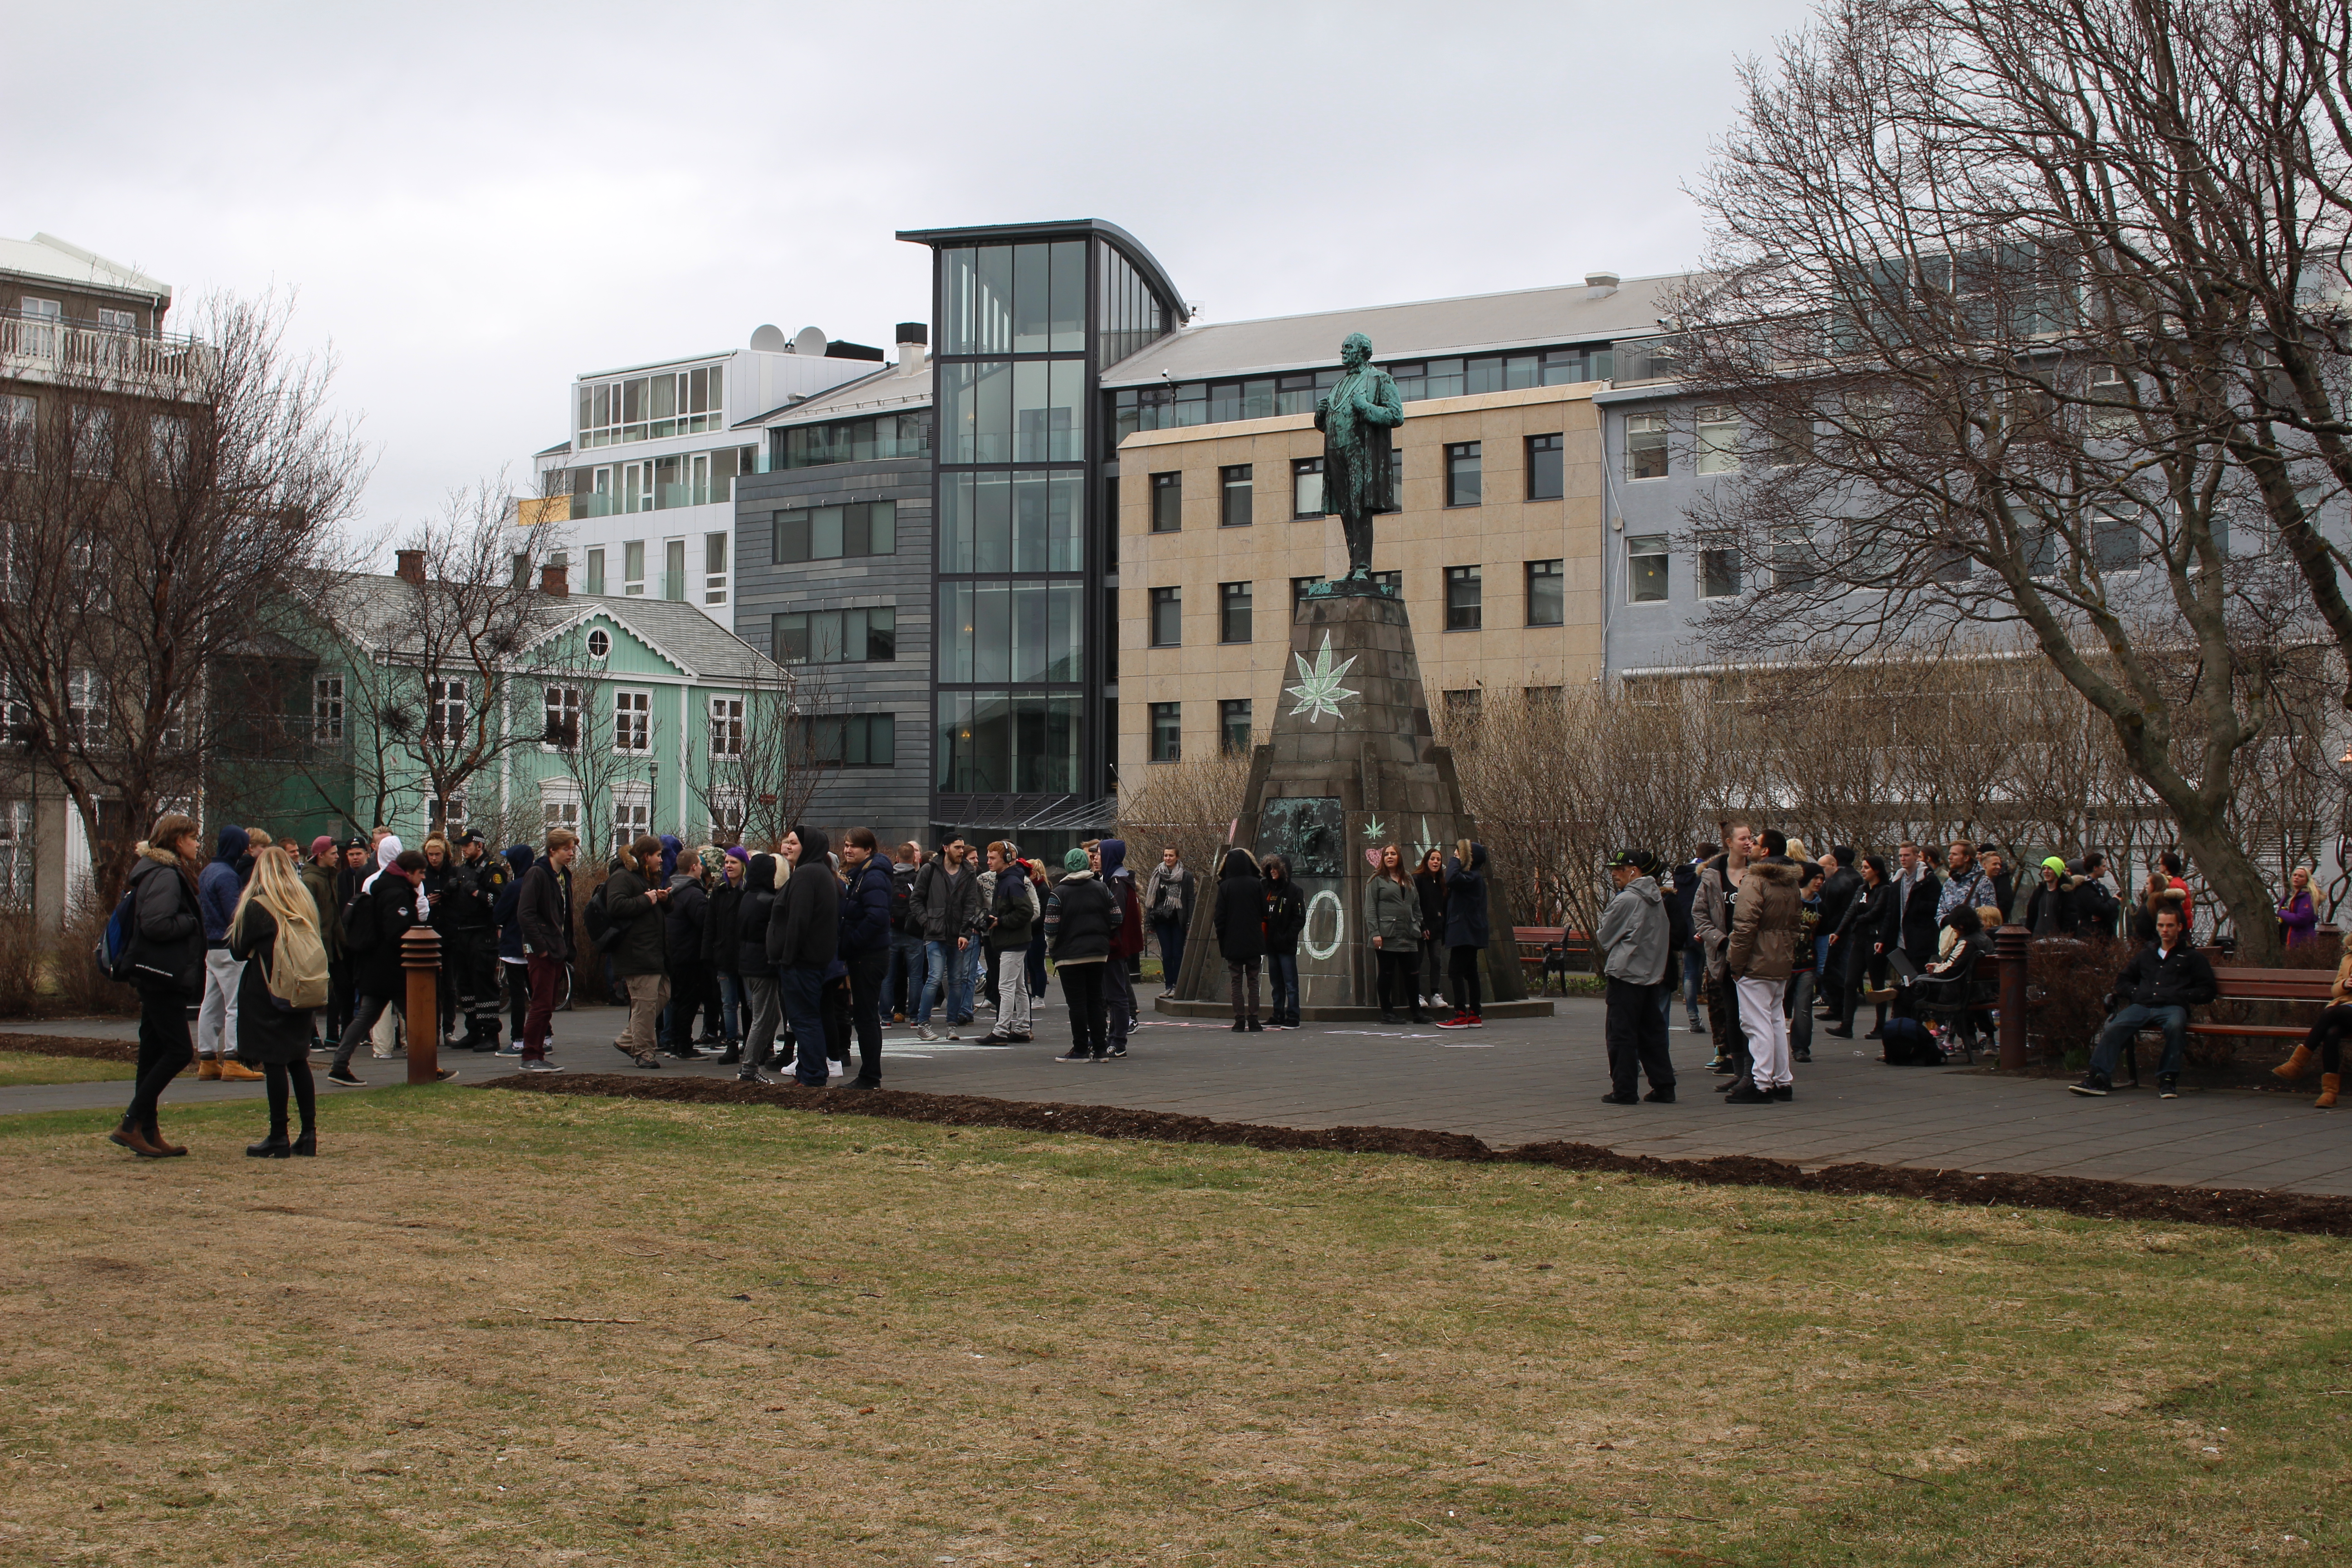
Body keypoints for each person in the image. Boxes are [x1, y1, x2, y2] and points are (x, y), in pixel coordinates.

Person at [109, 813, 206, 1158]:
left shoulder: (154, 871)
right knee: (179, 1051)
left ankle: (147, 1132)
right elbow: (155, 924)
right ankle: (131, 1123)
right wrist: (192, 922)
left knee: (151, 1053)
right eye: (193, 838)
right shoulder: (165, 875)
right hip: (162, 976)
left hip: (155, 975)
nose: (197, 844)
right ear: (178, 840)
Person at [227, 846, 325, 1157]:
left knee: (275, 1064)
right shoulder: (303, 901)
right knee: (299, 1061)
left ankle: (278, 1135)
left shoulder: (257, 907)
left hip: (269, 990)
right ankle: (308, 1134)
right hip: (302, 989)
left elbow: (238, 950)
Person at [328, 844, 452, 1086]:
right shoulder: (397, 894)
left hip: (377, 968)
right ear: (408, 872)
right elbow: (398, 933)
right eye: (421, 873)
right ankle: (427, 1066)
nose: (424, 877)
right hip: (393, 969)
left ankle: (339, 1066)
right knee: (418, 1018)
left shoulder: (383, 886)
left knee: (368, 1017)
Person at [2070, 906, 2216, 1098]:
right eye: (2161, 925)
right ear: (2156, 927)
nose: (2165, 930)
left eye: (2170, 925)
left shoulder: (2192, 957)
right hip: (2142, 1006)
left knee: (2175, 1026)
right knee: (2115, 1026)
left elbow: (2208, 990)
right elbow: (2122, 981)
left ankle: (2167, 1079)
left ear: (2179, 927)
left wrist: (2181, 996)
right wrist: (2136, 993)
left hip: (2172, 1007)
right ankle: (2098, 1077)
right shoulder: (2146, 955)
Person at [1725, 829, 1803, 1103]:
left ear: (1766, 851)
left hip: (1756, 962)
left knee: (1756, 1023)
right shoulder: (1792, 884)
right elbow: (1796, 925)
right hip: (1780, 960)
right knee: (1775, 1022)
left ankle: (1761, 1083)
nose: (1751, 845)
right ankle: (1782, 1080)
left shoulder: (1755, 881)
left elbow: (1745, 926)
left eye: (1755, 842)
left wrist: (1736, 963)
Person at [1596, 849, 1674, 1104]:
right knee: (1652, 1034)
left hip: (1626, 975)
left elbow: (1605, 937)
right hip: (1650, 976)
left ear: (1634, 871)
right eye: (1612, 870)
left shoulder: (1627, 900)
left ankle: (1625, 1089)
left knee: (1621, 1034)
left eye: (1619, 870)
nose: (1614, 875)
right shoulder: (1657, 898)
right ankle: (1664, 1086)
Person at [769, 826, 840, 1088]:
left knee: (804, 1020)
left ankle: (812, 1075)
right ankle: (809, 1073)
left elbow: (798, 921)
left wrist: (787, 956)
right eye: (787, 842)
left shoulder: (807, 874)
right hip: (811, 959)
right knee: (807, 1018)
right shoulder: (818, 873)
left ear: (808, 847)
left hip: (802, 961)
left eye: (794, 843)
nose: (788, 847)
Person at [194, 824, 265, 1082]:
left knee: (211, 1004)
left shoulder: (208, 872)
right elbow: (235, 914)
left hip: (212, 949)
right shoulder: (227, 876)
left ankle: (207, 1058)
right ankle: (234, 1058)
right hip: (229, 948)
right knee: (236, 1004)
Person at [1045, 846, 1120, 1061]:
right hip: (1098, 953)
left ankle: (1080, 1049)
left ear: (1068, 866)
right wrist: (1102, 934)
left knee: (1076, 1004)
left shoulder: (1058, 893)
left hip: (1069, 956)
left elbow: (1051, 929)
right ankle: (1101, 1049)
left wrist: (1053, 947)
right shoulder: (1102, 889)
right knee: (1095, 1001)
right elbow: (1117, 918)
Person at [603, 835, 671, 1069]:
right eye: (658, 856)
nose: (661, 860)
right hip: (636, 953)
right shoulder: (623, 877)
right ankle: (644, 1053)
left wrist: (663, 899)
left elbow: (652, 907)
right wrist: (647, 899)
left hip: (652, 952)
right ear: (646, 857)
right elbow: (616, 906)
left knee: (663, 993)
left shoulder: (646, 878)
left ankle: (627, 1040)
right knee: (645, 1004)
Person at [1692, 827, 1753, 1068]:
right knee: (1731, 1012)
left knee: (1754, 1016)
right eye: (1744, 838)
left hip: (1752, 955)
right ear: (1729, 842)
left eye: (1751, 838)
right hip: (1723, 954)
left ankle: (1756, 1068)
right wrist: (1720, 939)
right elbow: (1699, 913)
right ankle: (1737, 1068)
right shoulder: (1712, 875)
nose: (1749, 843)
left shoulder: (1758, 873)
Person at [837, 828, 893, 1088]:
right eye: (847, 846)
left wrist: (851, 942)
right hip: (866, 954)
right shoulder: (861, 875)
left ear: (868, 850)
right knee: (864, 1016)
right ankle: (869, 1074)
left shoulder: (873, 877)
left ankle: (870, 1076)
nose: (848, 850)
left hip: (869, 956)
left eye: (854, 847)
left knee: (866, 1017)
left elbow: (876, 917)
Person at [443, 831, 508, 1052]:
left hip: (483, 934)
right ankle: (474, 1031)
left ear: (479, 845)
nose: (463, 848)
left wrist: (477, 893)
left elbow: (500, 900)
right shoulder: (464, 869)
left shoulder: (493, 870)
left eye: (467, 845)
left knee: (484, 985)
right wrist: (448, 891)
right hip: (463, 934)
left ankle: (491, 1034)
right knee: (465, 985)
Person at [911, 838, 980, 1040]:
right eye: (957, 847)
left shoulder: (968, 873)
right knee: (934, 977)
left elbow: (970, 905)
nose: (961, 851)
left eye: (962, 847)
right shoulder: (930, 870)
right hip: (934, 932)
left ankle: (952, 1025)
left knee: (956, 981)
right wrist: (927, 922)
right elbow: (916, 900)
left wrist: (965, 933)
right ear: (946, 848)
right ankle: (923, 1022)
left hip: (957, 933)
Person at [2274, 945, 2352, 1107]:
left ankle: (2297, 1064)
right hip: (2348, 1010)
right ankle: (2329, 1093)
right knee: (2332, 1033)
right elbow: (2335, 991)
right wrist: (2345, 984)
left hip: (2344, 1012)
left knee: (2330, 1013)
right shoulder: (2348, 958)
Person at [1826, 853, 1890, 1039]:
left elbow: (1877, 912)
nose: (1863, 871)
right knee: (1850, 982)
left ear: (1876, 870)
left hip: (1874, 939)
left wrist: (1858, 921)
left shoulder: (1884, 890)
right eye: (1862, 867)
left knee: (1877, 985)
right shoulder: (1862, 889)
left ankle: (1880, 1026)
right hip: (1859, 940)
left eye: (1867, 868)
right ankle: (1847, 1025)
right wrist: (1839, 932)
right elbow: (1851, 911)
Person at [980, 842, 1038, 1044]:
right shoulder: (1007, 880)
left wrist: (1000, 921)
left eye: (992, 858)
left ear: (1006, 859)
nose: (988, 861)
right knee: (1019, 986)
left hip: (1012, 941)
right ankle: (1022, 1028)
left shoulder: (1011, 882)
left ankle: (1001, 1030)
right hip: (1014, 940)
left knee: (1005, 986)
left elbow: (1026, 911)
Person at [659, 848, 713, 1058]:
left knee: (676, 1000)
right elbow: (705, 923)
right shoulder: (694, 894)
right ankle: (684, 1045)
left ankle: (674, 1042)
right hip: (690, 956)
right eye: (700, 865)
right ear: (694, 867)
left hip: (674, 953)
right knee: (688, 1002)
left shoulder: (671, 890)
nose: (701, 868)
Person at [734, 853, 782, 1083]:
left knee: (772, 1017)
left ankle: (752, 1062)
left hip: (748, 963)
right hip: (762, 964)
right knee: (763, 1018)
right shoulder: (767, 901)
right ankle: (749, 1067)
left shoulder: (747, 897)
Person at [1436, 840, 1491, 1029]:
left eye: (1459, 853)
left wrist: (1454, 860)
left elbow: (1450, 878)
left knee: (1456, 972)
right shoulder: (1475, 878)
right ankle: (1475, 1014)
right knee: (1471, 972)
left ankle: (1460, 1014)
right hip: (1471, 932)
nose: (1455, 855)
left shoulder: (1472, 877)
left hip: (1465, 932)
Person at [1365, 844, 1422, 1025]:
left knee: (1413, 973)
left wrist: (1418, 923)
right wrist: (1375, 932)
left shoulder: (1408, 879)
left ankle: (1416, 1012)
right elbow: (1371, 908)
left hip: (1408, 935)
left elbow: (1416, 905)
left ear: (1399, 857)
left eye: (1393, 854)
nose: (1390, 857)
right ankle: (1387, 1013)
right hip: (1386, 935)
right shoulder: (1376, 880)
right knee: (1387, 973)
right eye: (1387, 854)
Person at [1098, 839, 1146, 1056]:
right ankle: (1114, 1037)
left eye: (1100, 853)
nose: (1096, 857)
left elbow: (1114, 916)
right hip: (1116, 944)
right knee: (1114, 992)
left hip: (1114, 946)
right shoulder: (1117, 879)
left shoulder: (1117, 882)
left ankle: (1119, 1042)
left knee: (1116, 994)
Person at [1212, 845, 1267, 1031]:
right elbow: (1264, 911)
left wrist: (1223, 940)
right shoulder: (1256, 884)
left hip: (1233, 941)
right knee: (1253, 981)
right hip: (1253, 939)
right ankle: (1254, 1019)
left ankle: (1239, 1020)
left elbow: (1219, 918)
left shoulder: (1225, 886)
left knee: (1236, 981)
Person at [300, 836, 346, 1049]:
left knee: (338, 988)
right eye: (333, 853)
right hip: (317, 943)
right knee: (317, 990)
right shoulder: (311, 880)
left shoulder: (330, 876)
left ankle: (332, 1035)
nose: (338, 857)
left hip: (333, 942)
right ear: (321, 855)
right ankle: (312, 1036)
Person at [491, 843, 536, 1058]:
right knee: (537, 994)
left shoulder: (514, 886)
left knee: (517, 996)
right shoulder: (539, 882)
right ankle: (544, 1036)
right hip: (535, 948)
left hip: (513, 947)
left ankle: (518, 1040)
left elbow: (498, 915)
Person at [705, 848, 747, 1061]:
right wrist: (709, 953)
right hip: (724, 955)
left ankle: (751, 1042)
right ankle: (731, 1042)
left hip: (746, 956)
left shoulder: (748, 891)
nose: (729, 866)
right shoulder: (719, 892)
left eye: (734, 863)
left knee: (750, 1002)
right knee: (729, 1003)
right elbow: (710, 925)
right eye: (727, 863)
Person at [1670, 845, 1713, 1033]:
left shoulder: (1681, 873)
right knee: (1712, 971)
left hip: (1686, 929)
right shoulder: (1709, 874)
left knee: (1689, 974)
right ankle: (1719, 1018)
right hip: (1706, 929)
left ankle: (1694, 1018)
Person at [1262, 854, 1306, 1028]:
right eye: (1270, 867)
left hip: (1286, 944)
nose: (1273, 871)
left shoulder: (1294, 891)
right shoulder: (1265, 888)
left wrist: (1288, 936)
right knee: (1276, 982)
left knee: (1290, 982)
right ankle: (1278, 1014)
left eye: (1276, 867)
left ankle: (1293, 1016)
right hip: (1270, 943)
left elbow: (1300, 918)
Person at [1787, 859, 1824, 1065]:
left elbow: (1822, 939)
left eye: (1822, 878)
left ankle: (1801, 1048)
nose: (1819, 882)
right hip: (1785, 964)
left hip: (1807, 964)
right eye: (1815, 878)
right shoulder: (1791, 901)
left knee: (1803, 1009)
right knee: (1777, 1009)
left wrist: (1820, 968)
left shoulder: (1821, 907)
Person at [1815, 847, 1861, 1013]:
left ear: (1833, 864)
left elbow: (1841, 911)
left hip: (1837, 931)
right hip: (1836, 930)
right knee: (1830, 968)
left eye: (1823, 868)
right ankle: (1838, 1005)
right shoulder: (1838, 881)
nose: (1821, 872)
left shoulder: (1839, 883)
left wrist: (1831, 929)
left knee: (1830, 968)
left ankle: (1843, 1001)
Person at [1887, 840, 1944, 974]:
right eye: (1901, 856)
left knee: (1919, 979)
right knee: (1906, 979)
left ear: (1917, 857)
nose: (1903, 859)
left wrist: (1916, 905)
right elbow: (1891, 911)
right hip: (1900, 940)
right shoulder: (1897, 881)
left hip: (1921, 939)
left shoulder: (1928, 879)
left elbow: (1937, 905)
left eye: (1907, 855)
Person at [1146, 846, 1194, 998]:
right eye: (1166, 856)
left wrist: (1189, 921)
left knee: (1178, 953)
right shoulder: (1157, 875)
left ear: (1177, 857)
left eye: (1171, 856)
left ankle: (1177, 985)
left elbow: (1190, 899)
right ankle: (1168, 986)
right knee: (1167, 954)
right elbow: (1151, 900)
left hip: (1178, 920)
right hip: (1162, 920)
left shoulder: (1186, 876)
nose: (1168, 859)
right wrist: (1149, 921)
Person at [887, 843, 924, 1023]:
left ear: (897, 858)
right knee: (916, 977)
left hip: (892, 929)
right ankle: (915, 1017)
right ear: (914, 858)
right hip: (913, 932)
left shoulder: (888, 877)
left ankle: (886, 1017)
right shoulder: (917, 878)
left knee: (889, 976)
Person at [1414, 847, 1450, 1013]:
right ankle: (1417, 995)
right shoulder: (1418, 879)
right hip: (1420, 928)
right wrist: (1422, 926)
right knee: (1418, 961)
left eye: (1439, 860)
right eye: (1433, 859)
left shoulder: (1442, 883)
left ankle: (1435, 994)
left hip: (1437, 929)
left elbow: (1444, 907)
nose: (1436, 862)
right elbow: (1415, 905)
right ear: (1426, 861)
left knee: (1436, 961)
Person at [1937, 840, 1996, 921]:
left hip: (1974, 932)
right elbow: (1940, 913)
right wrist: (1949, 921)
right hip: (1951, 932)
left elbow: (1989, 916)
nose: (1950, 857)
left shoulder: (1983, 882)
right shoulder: (1950, 883)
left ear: (1967, 858)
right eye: (1950, 854)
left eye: (1955, 854)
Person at [2023, 856, 2078, 937]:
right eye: (2044, 869)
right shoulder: (2038, 892)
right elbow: (2031, 916)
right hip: (2037, 939)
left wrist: (2065, 938)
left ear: (2057, 871)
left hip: (2057, 941)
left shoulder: (2066, 894)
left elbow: (2070, 921)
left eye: (2050, 869)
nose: (2046, 872)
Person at [2280, 866, 2320, 951]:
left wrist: (2282, 913)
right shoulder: (2290, 896)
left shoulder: (2306, 897)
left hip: (2301, 942)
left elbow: (2301, 920)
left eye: (2301, 876)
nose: (2296, 878)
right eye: (2295, 875)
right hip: (2285, 940)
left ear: (2307, 880)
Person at [1980, 845, 2015, 924]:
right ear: (1985, 865)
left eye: (1999, 864)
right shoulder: (1976, 881)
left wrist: (1994, 918)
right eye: (1995, 864)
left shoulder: (2002, 878)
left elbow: (2006, 903)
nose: (1998, 867)